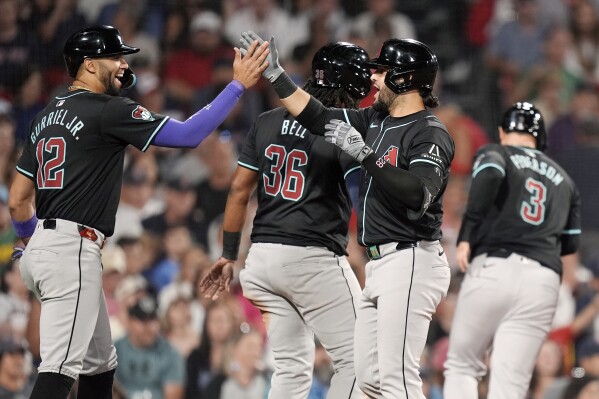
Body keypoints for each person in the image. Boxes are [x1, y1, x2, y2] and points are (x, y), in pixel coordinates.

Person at [6, 24, 269, 399]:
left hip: (49, 245)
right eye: (114, 57)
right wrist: (237, 86)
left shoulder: (46, 115)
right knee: (58, 370)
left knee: (100, 364)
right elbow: (189, 135)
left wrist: (37, 240)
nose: (122, 64)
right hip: (72, 249)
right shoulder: (107, 109)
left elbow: (18, 199)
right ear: (89, 65)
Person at [232, 32, 455, 398]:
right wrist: (276, 76)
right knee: (368, 379)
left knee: (398, 381)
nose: (373, 77)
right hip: (381, 263)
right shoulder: (375, 119)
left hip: (413, 258)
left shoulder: (429, 132)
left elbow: (419, 194)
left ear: (404, 79)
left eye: (382, 71)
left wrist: (366, 156)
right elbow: (318, 115)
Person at [200, 41, 373, 398]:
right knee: (363, 361)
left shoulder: (266, 122)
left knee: (291, 370)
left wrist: (229, 253)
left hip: (261, 261)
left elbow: (238, 191)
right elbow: (363, 198)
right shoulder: (342, 127)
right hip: (312, 259)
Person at [443, 102, 581, 399]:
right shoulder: (565, 180)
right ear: (539, 136)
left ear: (503, 132)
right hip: (542, 280)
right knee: (511, 380)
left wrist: (467, 233)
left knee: (463, 366)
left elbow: (490, 176)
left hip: (496, 265)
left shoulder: (496, 152)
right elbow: (569, 244)